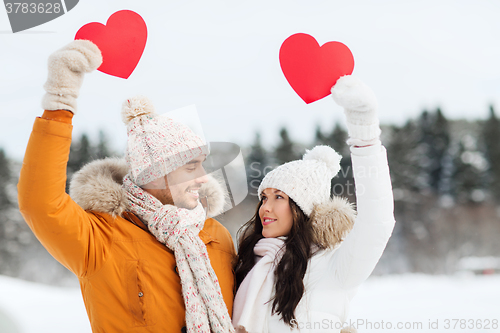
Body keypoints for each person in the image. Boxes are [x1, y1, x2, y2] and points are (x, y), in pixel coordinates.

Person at [18, 40, 236, 333]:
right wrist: (60, 103)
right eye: (191, 166)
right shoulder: (100, 238)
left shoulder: (216, 237)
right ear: (155, 175)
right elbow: (40, 203)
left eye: (202, 163)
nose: (203, 177)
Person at [232, 75, 396, 333]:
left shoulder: (333, 265)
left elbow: (377, 222)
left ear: (303, 209)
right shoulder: (247, 264)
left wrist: (364, 131)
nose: (265, 207)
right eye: (264, 197)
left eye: (279, 197)